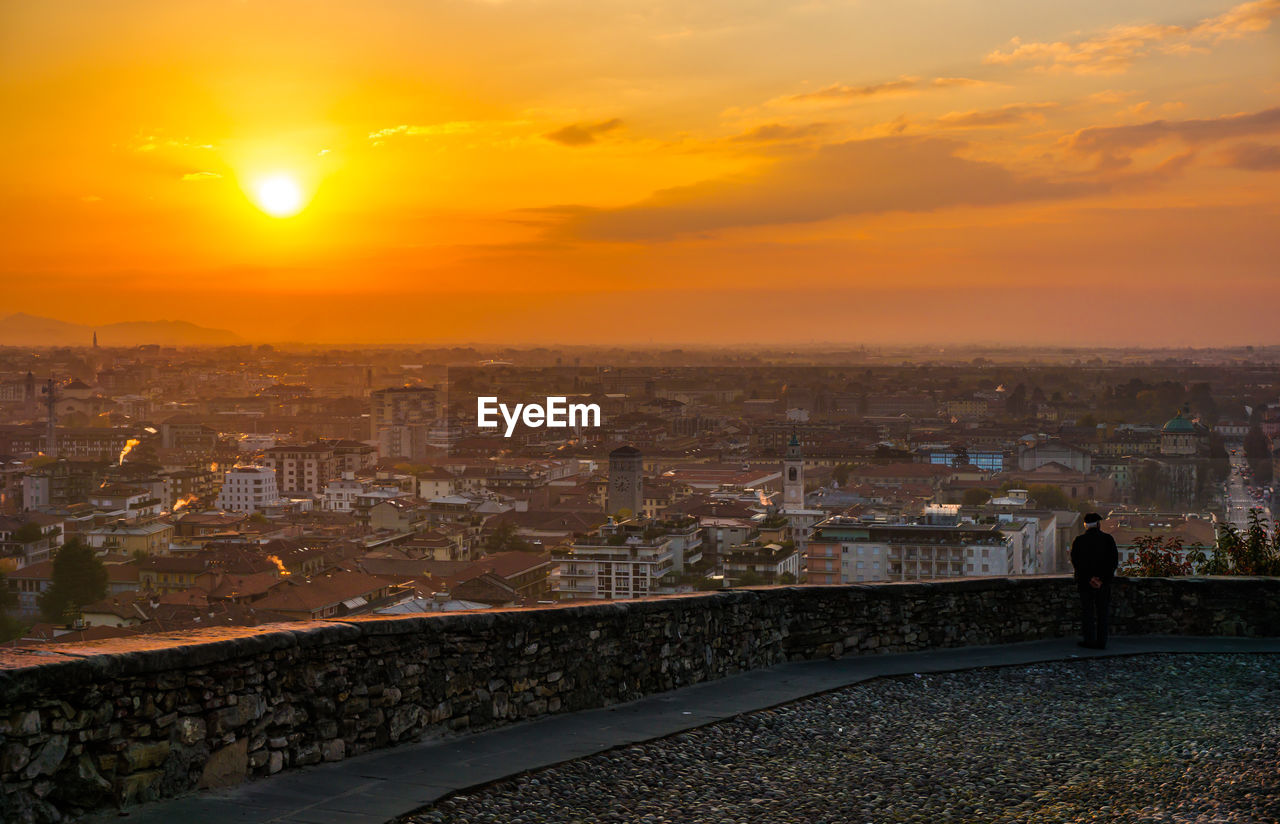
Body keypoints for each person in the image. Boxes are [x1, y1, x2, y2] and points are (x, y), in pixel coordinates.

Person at [1070, 512, 1118, 649]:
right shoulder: (1108, 539)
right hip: (1103, 584)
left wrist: (1089, 578)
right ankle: (1101, 641)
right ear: (1098, 524)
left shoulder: (1079, 541)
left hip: (1085, 583)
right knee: (1103, 612)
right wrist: (1101, 579)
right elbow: (1113, 561)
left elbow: (1076, 562)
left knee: (1088, 612)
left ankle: (1089, 640)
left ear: (1085, 525)